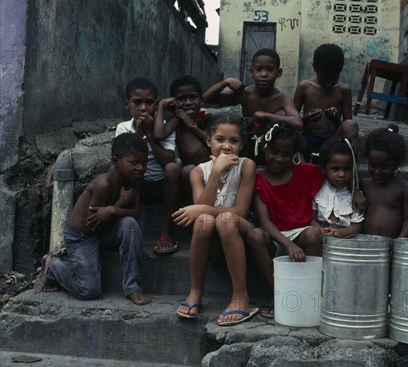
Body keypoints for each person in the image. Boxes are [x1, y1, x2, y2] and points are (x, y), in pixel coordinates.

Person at [40, 133, 151, 305]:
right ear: (115, 162)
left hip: (104, 229)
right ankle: (53, 265)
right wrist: (121, 203)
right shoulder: (104, 184)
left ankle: (133, 287)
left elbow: (135, 213)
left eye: (144, 163)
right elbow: (93, 226)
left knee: (129, 225)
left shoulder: (133, 179)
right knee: (89, 290)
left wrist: (113, 209)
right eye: (134, 163)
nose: (140, 168)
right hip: (82, 236)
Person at [172, 113, 258, 326]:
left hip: (239, 228)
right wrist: (217, 172)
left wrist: (201, 207)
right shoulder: (198, 172)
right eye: (220, 140)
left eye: (234, 141)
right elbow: (201, 215)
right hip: (210, 234)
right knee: (204, 221)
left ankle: (241, 297)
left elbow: (240, 211)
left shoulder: (247, 166)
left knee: (226, 219)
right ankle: (195, 291)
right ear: (208, 141)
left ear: (241, 144)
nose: (226, 146)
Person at [246, 122, 323, 318]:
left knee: (314, 233)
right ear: (264, 148)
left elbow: (337, 176)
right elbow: (264, 221)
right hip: (274, 235)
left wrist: (356, 190)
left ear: (294, 155)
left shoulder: (305, 172)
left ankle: (310, 294)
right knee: (254, 235)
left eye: (286, 154)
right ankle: (278, 293)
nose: (279, 158)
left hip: (300, 232)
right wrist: (288, 245)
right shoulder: (259, 180)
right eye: (274, 151)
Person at [115, 78, 181, 255]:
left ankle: (166, 231)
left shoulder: (165, 128)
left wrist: (151, 134)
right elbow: (123, 161)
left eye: (149, 102)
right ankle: (119, 225)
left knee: (173, 169)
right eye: (137, 102)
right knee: (115, 169)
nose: (144, 108)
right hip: (138, 185)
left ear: (156, 104)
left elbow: (168, 161)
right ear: (127, 105)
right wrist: (138, 135)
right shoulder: (123, 128)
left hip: (162, 186)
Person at [203, 48, 302, 162]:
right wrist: (226, 82)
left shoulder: (283, 99)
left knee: (286, 125)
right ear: (251, 72)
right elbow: (206, 99)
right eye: (258, 69)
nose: (264, 74)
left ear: (278, 72)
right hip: (246, 144)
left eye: (270, 69)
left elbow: (298, 123)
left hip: (271, 146)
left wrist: (267, 116)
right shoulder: (245, 94)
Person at [293, 43, 359, 161]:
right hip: (307, 139)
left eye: (333, 79)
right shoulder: (304, 87)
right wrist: (307, 119)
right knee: (287, 131)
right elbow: (292, 122)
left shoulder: (344, 90)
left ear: (340, 70)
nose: (328, 84)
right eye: (324, 79)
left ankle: (351, 165)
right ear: (314, 68)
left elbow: (346, 126)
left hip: (333, 141)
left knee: (351, 124)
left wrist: (335, 120)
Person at [153, 75, 212, 195]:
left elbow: (212, 142)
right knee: (188, 170)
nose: (188, 103)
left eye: (193, 97)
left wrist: (191, 125)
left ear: (201, 100)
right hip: (190, 175)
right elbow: (159, 135)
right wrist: (161, 106)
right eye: (181, 99)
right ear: (173, 102)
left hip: (212, 172)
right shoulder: (177, 120)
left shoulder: (208, 119)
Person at [360, 124, 408, 238]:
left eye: (384, 167)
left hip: (393, 244)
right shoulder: (363, 185)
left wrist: (400, 240)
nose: (377, 171)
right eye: (372, 166)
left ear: (396, 165)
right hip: (365, 245)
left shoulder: (403, 188)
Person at [313, 138, 364, 237]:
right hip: (319, 236)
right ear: (324, 169)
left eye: (347, 169)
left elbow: (357, 227)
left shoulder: (354, 196)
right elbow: (311, 219)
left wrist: (339, 232)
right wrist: (318, 230)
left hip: (344, 241)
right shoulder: (317, 189)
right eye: (335, 169)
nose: (342, 174)